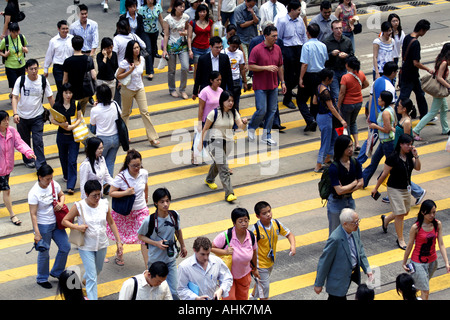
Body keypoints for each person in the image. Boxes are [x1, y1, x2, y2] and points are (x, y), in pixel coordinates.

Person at [62, 180, 123, 300]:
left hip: (101, 244)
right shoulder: (79, 206)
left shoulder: (104, 204)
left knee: (97, 269)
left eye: (99, 194)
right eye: (94, 195)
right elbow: (65, 220)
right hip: (86, 246)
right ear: (86, 194)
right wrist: (77, 227)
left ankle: (83, 281)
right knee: (92, 276)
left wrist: (118, 241)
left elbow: (111, 222)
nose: (97, 198)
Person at [372, 134, 421, 249]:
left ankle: (387, 219)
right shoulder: (392, 158)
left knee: (404, 212)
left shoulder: (409, 156)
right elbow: (384, 174)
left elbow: (418, 168)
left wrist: (416, 156)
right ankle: (400, 239)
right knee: (400, 214)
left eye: (411, 144)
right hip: (394, 189)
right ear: (400, 144)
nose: (410, 146)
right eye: (407, 144)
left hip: (406, 188)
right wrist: (376, 188)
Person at [138, 187, 188, 300]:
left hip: (170, 260)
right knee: (154, 290)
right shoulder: (149, 220)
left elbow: (178, 230)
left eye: (167, 201)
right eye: (162, 202)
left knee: (175, 291)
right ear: (156, 203)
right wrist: (156, 243)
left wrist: (183, 245)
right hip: (155, 261)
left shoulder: (174, 215)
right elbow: (140, 236)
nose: (165, 204)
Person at [199, 91, 248, 202]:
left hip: (227, 141)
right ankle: (229, 193)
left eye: (232, 101)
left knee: (219, 163)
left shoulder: (234, 112)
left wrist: (244, 122)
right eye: (228, 101)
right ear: (222, 101)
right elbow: (205, 128)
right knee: (224, 168)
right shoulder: (214, 113)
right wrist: (201, 143)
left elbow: (241, 127)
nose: (231, 103)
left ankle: (209, 179)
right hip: (214, 141)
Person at [314, 208, 372, 300]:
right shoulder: (335, 239)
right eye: (355, 222)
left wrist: (367, 269)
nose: (358, 224)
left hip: (351, 273)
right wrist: (318, 284)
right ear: (345, 224)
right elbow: (324, 262)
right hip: (338, 280)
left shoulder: (355, 230)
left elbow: (360, 249)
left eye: (358, 221)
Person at [28, 164, 71, 289]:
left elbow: (62, 194)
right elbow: (33, 214)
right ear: (40, 177)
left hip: (57, 223)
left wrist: (60, 203)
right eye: (47, 179)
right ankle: (42, 278)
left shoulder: (54, 184)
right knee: (44, 252)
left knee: (65, 247)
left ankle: (56, 272)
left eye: (51, 178)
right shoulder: (34, 192)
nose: (49, 181)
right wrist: (37, 232)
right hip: (43, 225)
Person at [107, 149, 151, 267]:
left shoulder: (144, 173)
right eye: (134, 166)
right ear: (127, 164)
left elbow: (145, 186)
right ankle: (119, 253)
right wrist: (126, 193)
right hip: (125, 212)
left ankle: (148, 265)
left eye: (139, 165)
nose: (137, 168)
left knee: (145, 236)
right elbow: (111, 193)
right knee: (121, 234)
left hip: (141, 210)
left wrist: (146, 197)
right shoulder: (121, 177)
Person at [402, 199, 450, 300]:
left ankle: (408, 294)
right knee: (425, 289)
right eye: (430, 213)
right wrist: (404, 262)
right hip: (417, 262)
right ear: (423, 212)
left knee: (422, 285)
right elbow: (410, 245)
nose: (433, 215)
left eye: (434, 212)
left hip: (432, 262)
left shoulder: (437, 224)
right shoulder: (415, 227)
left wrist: (446, 262)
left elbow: (441, 244)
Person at [247, 25, 286, 146]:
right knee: (262, 110)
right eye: (273, 36)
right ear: (266, 36)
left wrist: (283, 82)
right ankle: (251, 127)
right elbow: (250, 66)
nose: (276, 38)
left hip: (273, 85)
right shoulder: (257, 49)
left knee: (272, 110)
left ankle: (267, 135)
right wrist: (265, 68)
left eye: (276, 35)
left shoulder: (278, 49)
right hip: (260, 86)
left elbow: (280, 66)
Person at [116, 40, 160, 146]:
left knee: (145, 111)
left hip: (139, 88)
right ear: (130, 50)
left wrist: (140, 83)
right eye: (134, 48)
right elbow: (118, 76)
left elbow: (140, 74)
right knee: (126, 113)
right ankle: (124, 136)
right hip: (127, 89)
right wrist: (130, 71)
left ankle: (152, 138)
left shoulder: (142, 59)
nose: (137, 50)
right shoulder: (125, 62)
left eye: (138, 47)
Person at [12, 58, 54, 169]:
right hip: (22, 117)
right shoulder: (21, 80)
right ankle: (28, 159)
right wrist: (15, 113)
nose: (34, 71)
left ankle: (40, 163)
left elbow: (50, 97)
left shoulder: (43, 81)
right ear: (26, 70)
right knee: (24, 141)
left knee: (38, 141)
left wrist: (56, 113)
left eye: (36, 68)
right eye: (31, 69)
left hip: (38, 116)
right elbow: (15, 97)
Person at [249, 201, 296, 300]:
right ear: (258, 216)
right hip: (259, 264)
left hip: (270, 262)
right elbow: (248, 248)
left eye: (269, 211)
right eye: (264, 213)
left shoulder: (276, 224)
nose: (268, 214)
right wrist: (253, 267)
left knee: (261, 284)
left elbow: (289, 234)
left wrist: (293, 245)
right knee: (265, 291)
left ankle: (252, 297)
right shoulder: (255, 230)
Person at [212, 208, 260, 300]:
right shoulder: (226, 235)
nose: (244, 223)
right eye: (240, 221)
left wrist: (255, 269)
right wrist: (225, 252)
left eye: (246, 220)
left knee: (242, 298)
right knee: (229, 299)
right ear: (234, 223)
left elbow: (254, 253)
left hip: (244, 274)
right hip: (227, 275)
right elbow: (210, 248)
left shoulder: (251, 236)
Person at [356, 61, 397, 165]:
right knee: (373, 142)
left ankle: (361, 162)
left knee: (370, 141)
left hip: (374, 116)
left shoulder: (376, 81)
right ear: (392, 73)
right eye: (396, 72)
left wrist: (370, 114)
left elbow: (371, 98)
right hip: (383, 120)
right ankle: (359, 163)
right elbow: (391, 107)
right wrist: (394, 121)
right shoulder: (390, 87)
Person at [0, 110, 35, 226]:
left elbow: (19, 143)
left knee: (5, 190)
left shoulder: (12, 132)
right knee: (6, 190)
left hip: (6, 169)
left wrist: (28, 152)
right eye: (4, 120)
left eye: (7, 119)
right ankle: (12, 214)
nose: (7, 122)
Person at [326, 135, 363, 234]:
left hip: (349, 200)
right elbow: (339, 191)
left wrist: (346, 188)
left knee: (353, 230)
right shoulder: (334, 167)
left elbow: (361, 183)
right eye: (348, 147)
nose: (351, 149)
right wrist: (354, 183)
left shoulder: (355, 163)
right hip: (335, 202)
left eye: (351, 146)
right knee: (335, 233)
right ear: (341, 148)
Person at [49, 83, 81, 196]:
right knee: (63, 158)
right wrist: (61, 124)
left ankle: (71, 185)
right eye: (66, 93)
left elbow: (79, 118)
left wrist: (72, 126)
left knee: (72, 160)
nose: (68, 95)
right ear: (62, 93)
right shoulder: (57, 106)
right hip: (62, 136)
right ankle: (66, 176)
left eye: (70, 93)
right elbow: (52, 120)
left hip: (73, 137)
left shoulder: (76, 104)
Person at [413, 43, 450, 140]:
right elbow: (439, 77)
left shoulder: (440, 58)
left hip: (438, 89)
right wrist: (449, 86)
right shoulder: (444, 62)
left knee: (444, 108)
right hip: (439, 89)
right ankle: (415, 130)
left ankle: (446, 129)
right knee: (433, 113)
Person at [398, 19, 432, 119]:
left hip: (406, 72)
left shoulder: (407, 37)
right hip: (410, 75)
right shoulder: (416, 43)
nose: (425, 33)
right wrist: (427, 69)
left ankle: (424, 116)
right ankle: (398, 116)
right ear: (422, 30)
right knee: (404, 97)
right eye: (425, 31)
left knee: (420, 94)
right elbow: (416, 63)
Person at [276, 1, 307, 111]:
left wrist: (305, 49)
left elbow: (303, 36)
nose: (300, 12)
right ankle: (287, 98)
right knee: (289, 76)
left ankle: (300, 96)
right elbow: (279, 38)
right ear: (292, 10)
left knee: (300, 74)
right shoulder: (282, 21)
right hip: (287, 50)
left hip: (299, 49)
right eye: (298, 10)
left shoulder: (300, 21)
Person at [314, 68, 346, 174]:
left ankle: (327, 158)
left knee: (334, 138)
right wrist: (341, 120)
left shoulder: (319, 87)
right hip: (326, 118)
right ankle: (319, 164)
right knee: (326, 141)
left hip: (320, 116)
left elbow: (314, 102)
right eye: (332, 78)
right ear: (327, 78)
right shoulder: (326, 92)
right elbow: (331, 108)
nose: (333, 80)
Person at [361, 90, 396, 188]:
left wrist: (375, 126)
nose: (378, 99)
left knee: (393, 167)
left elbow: (387, 129)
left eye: (380, 98)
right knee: (374, 161)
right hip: (384, 142)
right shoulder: (389, 109)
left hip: (388, 143)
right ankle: (363, 182)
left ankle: (414, 190)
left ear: (384, 101)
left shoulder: (385, 113)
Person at [337, 56, 369, 151]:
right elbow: (366, 84)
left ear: (347, 65)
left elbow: (342, 93)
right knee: (353, 122)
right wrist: (358, 89)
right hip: (358, 102)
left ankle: (349, 145)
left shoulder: (345, 77)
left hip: (347, 104)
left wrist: (338, 105)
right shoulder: (361, 74)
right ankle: (357, 143)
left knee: (346, 124)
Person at [89, 84, 121, 176]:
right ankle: (108, 183)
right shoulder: (115, 104)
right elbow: (120, 116)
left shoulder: (95, 110)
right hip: (116, 138)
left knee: (100, 163)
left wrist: (95, 106)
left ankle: (102, 184)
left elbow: (92, 126)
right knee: (110, 162)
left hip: (102, 140)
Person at [299, 23, 328, 121]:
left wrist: (301, 78)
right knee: (315, 98)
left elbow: (304, 64)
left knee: (301, 100)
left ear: (307, 33)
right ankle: (314, 118)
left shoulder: (306, 46)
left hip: (309, 75)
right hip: (320, 75)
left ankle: (309, 119)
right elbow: (325, 60)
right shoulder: (323, 45)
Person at [162, 0, 190, 99]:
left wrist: (185, 33)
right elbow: (166, 34)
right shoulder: (168, 19)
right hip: (171, 46)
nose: (182, 9)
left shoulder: (186, 17)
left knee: (185, 67)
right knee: (171, 70)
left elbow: (187, 30)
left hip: (183, 46)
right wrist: (164, 50)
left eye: (183, 7)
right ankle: (172, 89)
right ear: (175, 7)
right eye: (180, 7)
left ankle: (182, 89)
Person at [63, 35, 97, 115]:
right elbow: (94, 75)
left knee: (73, 115)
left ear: (72, 45)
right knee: (81, 114)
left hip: (73, 93)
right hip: (85, 92)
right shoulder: (89, 59)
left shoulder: (68, 61)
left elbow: (65, 79)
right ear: (82, 45)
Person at [192, 36, 233, 101]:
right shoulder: (203, 59)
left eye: (220, 47)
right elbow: (198, 76)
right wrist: (195, 92)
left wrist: (231, 91)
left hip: (220, 89)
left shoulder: (224, 58)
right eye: (216, 47)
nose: (219, 50)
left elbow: (229, 76)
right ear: (211, 47)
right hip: (207, 90)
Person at [323, 20, 353, 103]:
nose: (339, 30)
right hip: (333, 71)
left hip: (343, 70)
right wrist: (331, 54)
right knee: (336, 95)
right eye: (336, 28)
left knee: (344, 93)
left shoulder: (347, 41)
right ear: (332, 29)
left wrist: (346, 55)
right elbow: (323, 58)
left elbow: (352, 55)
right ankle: (338, 113)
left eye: (340, 28)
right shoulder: (326, 42)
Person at [234, 0, 260, 88]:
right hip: (242, 38)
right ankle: (247, 80)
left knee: (253, 59)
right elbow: (241, 24)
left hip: (253, 37)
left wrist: (253, 13)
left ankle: (252, 77)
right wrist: (253, 21)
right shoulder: (238, 9)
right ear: (246, 1)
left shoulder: (255, 8)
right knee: (245, 60)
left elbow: (257, 21)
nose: (251, 6)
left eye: (253, 5)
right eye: (250, 4)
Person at [44, 20, 74, 95]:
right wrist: (46, 69)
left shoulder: (72, 38)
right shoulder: (53, 41)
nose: (65, 31)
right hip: (59, 68)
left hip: (70, 68)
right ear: (58, 29)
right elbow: (49, 55)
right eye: (63, 29)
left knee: (71, 88)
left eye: (67, 28)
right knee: (61, 88)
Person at [0, 22, 27, 98]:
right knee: (15, 86)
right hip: (11, 67)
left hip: (21, 65)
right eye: (13, 32)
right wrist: (4, 55)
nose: (16, 34)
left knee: (22, 85)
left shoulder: (21, 37)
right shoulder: (6, 40)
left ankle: (16, 97)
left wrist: (25, 50)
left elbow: (25, 47)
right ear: (10, 31)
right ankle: (15, 100)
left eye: (17, 31)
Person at [138, 0, 164, 81]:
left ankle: (150, 67)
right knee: (148, 50)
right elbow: (139, 21)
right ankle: (150, 71)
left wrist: (164, 29)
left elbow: (160, 19)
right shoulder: (142, 9)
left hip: (155, 32)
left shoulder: (158, 7)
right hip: (145, 32)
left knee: (152, 50)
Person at [187, 4, 213, 78]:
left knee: (207, 68)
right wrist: (190, 50)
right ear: (197, 12)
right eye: (200, 12)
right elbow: (189, 37)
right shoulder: (193, 23)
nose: (202, 13)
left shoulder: (210, 22)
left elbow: (211, 36)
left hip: (207, 48)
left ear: (206, 12)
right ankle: (197, 87)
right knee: (197, 69)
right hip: (196, 49)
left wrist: (212, 46)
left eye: (204, 12)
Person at [223, 35, 247, 112]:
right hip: (226, 80)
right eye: (233, 46)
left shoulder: (239, 53)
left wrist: (245, 82)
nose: (234, 49)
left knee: (236, 102)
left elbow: (242, 69)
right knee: (226, 101)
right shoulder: (223, 52)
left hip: (237, 80)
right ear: (229, 43)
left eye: (236, 47)